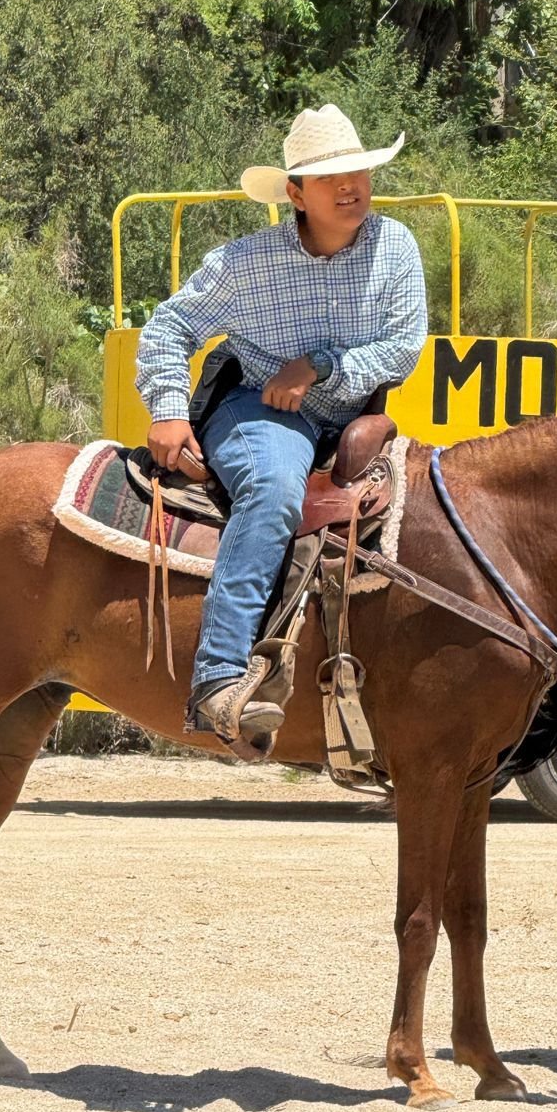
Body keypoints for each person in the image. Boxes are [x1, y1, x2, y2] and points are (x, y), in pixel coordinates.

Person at [135, 105, 428, 741]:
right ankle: (217, 677)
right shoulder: (246, 263)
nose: (352, 186)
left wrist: (319, 366)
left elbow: (404, 345)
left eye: (359, 171)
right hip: (256, 408)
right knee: (272, 489)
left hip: (351, 417)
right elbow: (170, 326)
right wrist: (167, 408)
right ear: (295, 194)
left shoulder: (395, 244)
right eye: (331, 178)